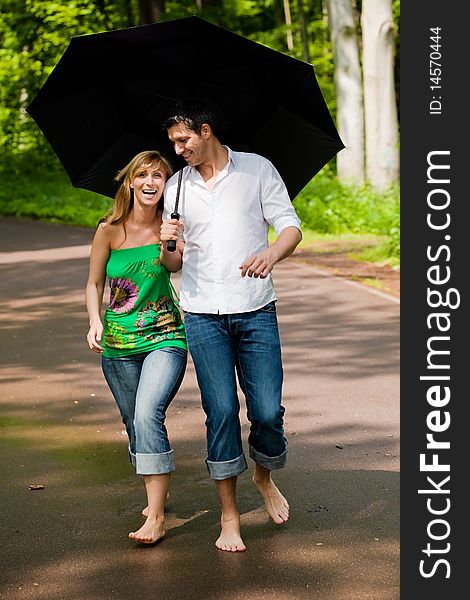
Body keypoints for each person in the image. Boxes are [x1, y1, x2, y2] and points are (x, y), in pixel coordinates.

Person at [160, 104, 302, 552]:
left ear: (205, 131)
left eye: (183, 140)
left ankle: (262, 475)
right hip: (202, 313)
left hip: (256, 308)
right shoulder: (176, 187)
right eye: (173, 144)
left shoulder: (257, 169)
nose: (178, 150)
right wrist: (168, 244)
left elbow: (290, 227)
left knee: (265, 411)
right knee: (220, 412)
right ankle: (229, 515)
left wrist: (272, 254)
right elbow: (172, 264)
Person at [85, 150, 187, 544]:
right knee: (133, 423)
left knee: (147, 414)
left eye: (159, 177)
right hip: (117, 343)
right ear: (130, 181)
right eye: (143, 175)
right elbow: (94, 284)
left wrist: (169, 243)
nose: (150, 182)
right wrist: (95, 320)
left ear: (167, 185)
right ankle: (155, 491)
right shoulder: (108, 229)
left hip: (165, 337)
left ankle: (156, 517)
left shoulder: (172, 226)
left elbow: (175, 267)